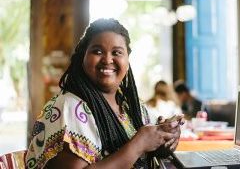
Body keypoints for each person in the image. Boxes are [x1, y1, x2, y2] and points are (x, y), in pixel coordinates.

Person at [25, 19, 183, 169]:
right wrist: (138, 144)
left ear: (128, 60)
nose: (107, 59)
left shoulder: (130, 106)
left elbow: (142, 156)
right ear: (83, 57)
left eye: (117, 52)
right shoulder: (68, 108)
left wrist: (165, 139)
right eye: (97, 51)